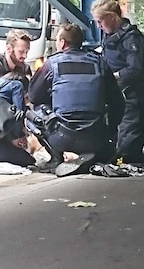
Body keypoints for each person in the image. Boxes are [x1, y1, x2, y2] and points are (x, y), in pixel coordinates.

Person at [28, 23, 125, 175]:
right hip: (96, 136)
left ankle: (56, 158)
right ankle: (100, 152)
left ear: (63, 43)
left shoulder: (52, 64)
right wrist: (110, 130)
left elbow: (34, 96)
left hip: (62, 137)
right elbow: (117, 101)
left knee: (34, 111)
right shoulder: (99, 62)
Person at [91, 0, 144, 163]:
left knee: (125, 154)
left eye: (100, 21)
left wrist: (112, 77)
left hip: (134, 98)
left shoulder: (131, 37)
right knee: (110, 149)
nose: (99, 26)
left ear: (112, 17)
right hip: (117, 98)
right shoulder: (110, 35)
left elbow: (135, 69)